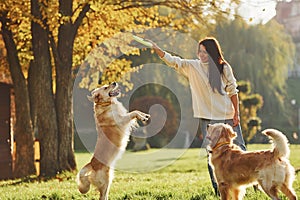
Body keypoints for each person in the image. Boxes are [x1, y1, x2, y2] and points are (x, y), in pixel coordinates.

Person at [149, 37, 246, 196]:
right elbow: (173, 61)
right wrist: (157, 49)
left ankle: (244, 183)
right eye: (200, 51)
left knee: (239, 149)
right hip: (208, 119)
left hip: (227, 115)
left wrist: (237, 113)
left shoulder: (223, 67)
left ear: (213, 52)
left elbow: (233, 91)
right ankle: (219, 191)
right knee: (212, 154)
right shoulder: (192, 66)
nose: (202, 55)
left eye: (206, 52)